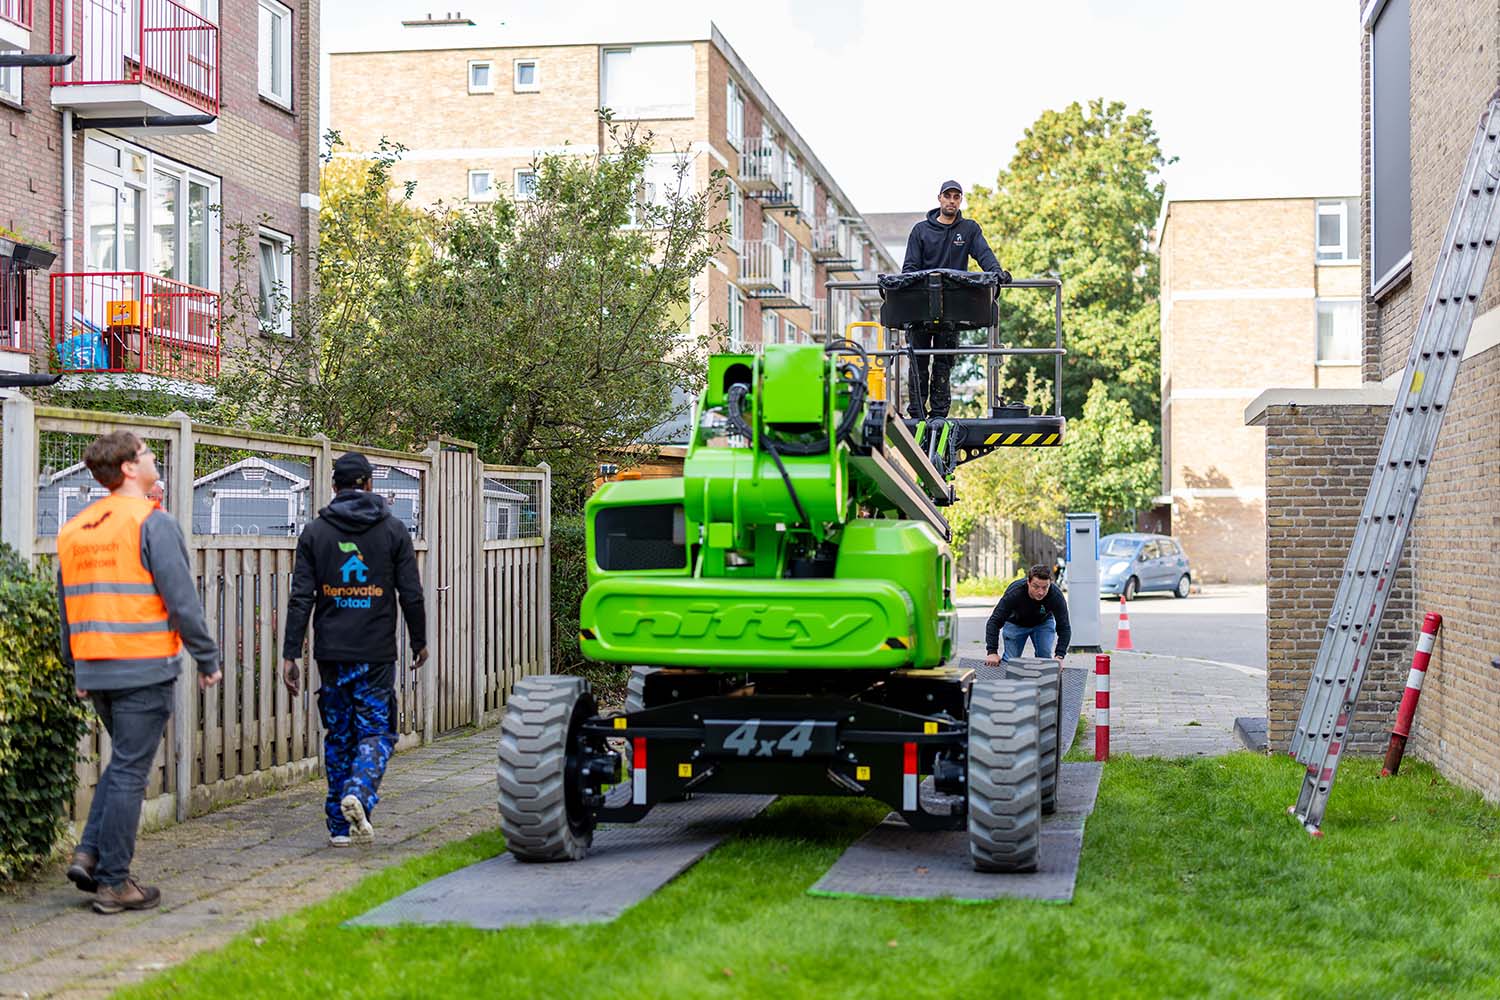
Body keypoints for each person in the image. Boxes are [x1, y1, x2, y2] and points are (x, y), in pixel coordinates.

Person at [57, 431, 222, 914]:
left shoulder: (77, 528)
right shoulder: (152, 522)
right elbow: (181, 600)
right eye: (148, 454)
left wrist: (78, 668)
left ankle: (88, 854)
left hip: (97, 667)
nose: (154, 460)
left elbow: (68, 608)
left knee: (123, 762)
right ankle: (113, 883)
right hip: (143, 666)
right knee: (131, 771)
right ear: (129, 468)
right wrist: (207, 658)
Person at [282, 452, 427, 847]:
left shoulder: (315, 533)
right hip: (376, 652)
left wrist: (289, 654)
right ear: (368, 484)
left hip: (331, 652)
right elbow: (410, 593)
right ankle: (360, 793)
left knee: (339, 734)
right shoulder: (394, 531)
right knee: (377, 731)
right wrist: (419, 641)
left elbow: (301, 598)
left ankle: (338, 827)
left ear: (334, 487)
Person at [900, 179, 1011, 421]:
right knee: (918, 361)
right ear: (939, 198)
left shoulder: (969, 229)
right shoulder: (921, 230)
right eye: (947, 196)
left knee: (944, 361)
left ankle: (939, 414)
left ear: (960, 200)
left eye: (956, 197)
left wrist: (997, 272)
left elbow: (984, 253)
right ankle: (917, 413)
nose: (951, 201)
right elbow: (909, 267)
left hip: (951, 309)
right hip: (921, 308)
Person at [984, 564, 1071, 664]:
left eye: (1045, 587)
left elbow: (1064, 627)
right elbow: (994, 622)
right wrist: (992, 652)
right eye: (1036, 587)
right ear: (1028, 582)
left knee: (1045, 660)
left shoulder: (1055, 595)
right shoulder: (1015, 593)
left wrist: (1060, 656)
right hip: (1015, 623)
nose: (1041, 592)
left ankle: (1043, 679)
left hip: (1043, 623)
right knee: (1010, 661)